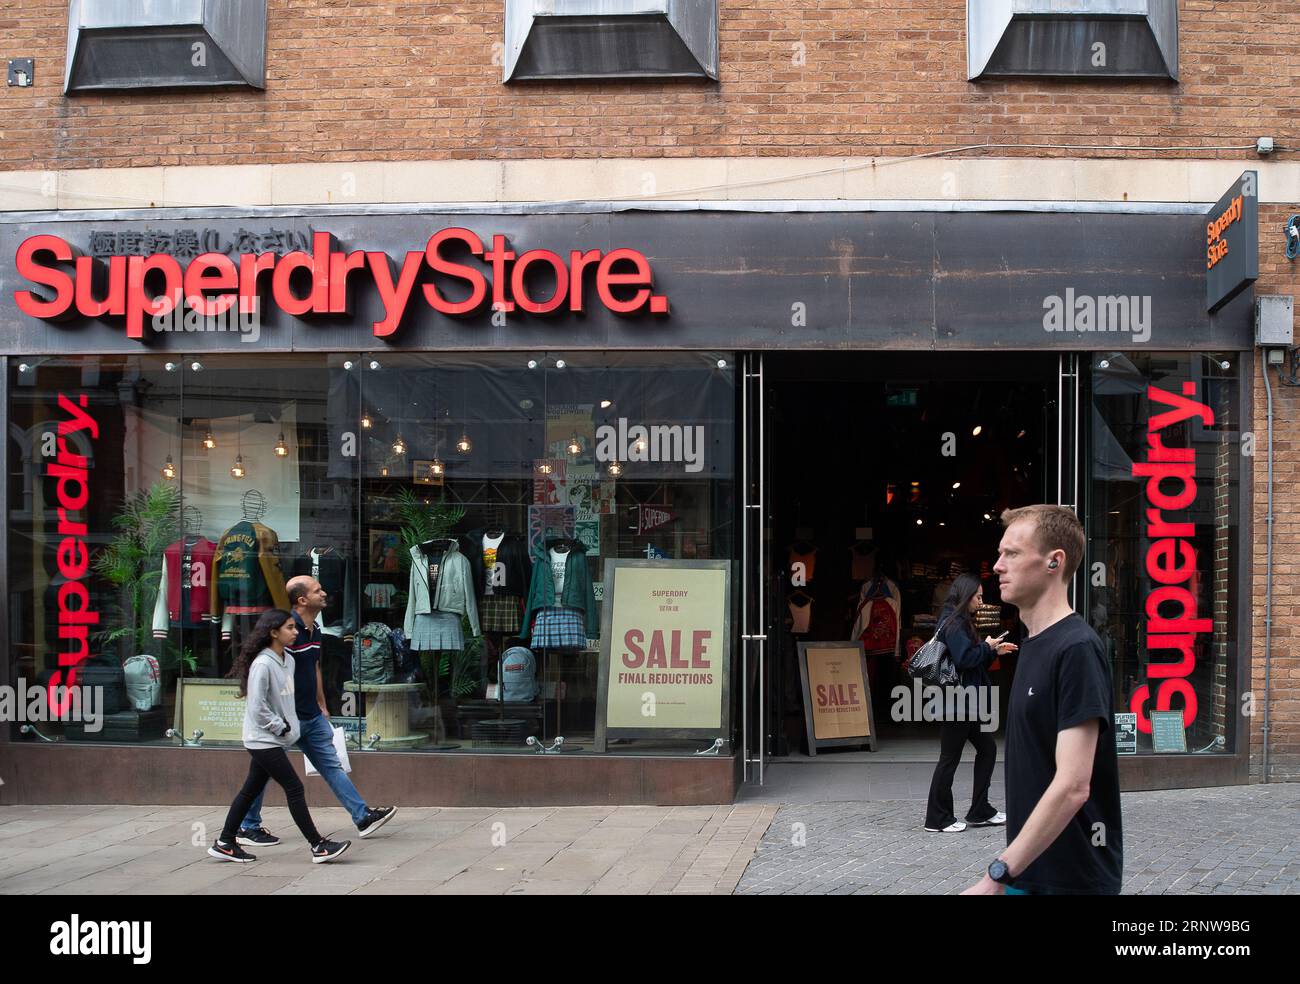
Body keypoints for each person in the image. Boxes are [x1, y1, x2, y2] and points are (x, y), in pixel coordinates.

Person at [962, 505, 1123, 896]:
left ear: (1055, 561)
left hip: (1070, 881)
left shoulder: (1076, 648)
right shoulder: (1033, 643)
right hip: (1030, 874)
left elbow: (1073, 785)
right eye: (1000, 554)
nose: (998, 566)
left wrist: (995, 876)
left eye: (1012, 553)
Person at [234, 575, 397, 847]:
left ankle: (362, 816)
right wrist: (277, 718)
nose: (324, 594)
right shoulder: (286, 629)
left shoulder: (314, 630)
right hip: (284, 719)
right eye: (317, 590)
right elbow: (269, 673)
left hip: (310, 714)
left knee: (331, 764)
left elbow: (315, 667)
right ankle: (246, 827)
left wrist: (322, 703)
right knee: (261, 774)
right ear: (302, 600)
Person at [209, 609, 350, 863]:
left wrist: (290, 727)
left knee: (250, 790)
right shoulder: (263, 664)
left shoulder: (288, 660)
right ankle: (318, 845)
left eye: (294, 628)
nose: (295, 632)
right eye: (289, 628)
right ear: (273, 633)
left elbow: (284, 700)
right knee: (294, 787)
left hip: (275, 738)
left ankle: (225, 842)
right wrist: (280, 726)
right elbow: (257, 706)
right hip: (263, 740)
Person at [923, 573, 1018, 833]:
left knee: (987, 750)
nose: (981, 600)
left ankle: (980, 810)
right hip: (957, 701)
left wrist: (991, 650)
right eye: (978, 596)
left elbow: (969, 661)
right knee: (949, 758)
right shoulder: (954, 623)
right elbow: (965, 659)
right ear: (966, 595)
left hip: (965, 700)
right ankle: (937, 818)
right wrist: (986, 647)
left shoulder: (958, 621)